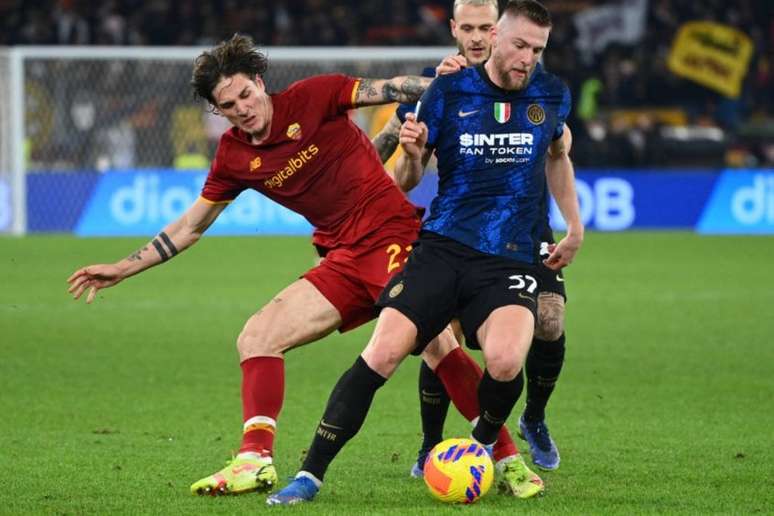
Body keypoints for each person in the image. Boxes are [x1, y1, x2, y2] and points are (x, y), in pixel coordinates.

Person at [66, 33, 437, 496]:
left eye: (245, 93)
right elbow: (190, 227)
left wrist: (444, 84)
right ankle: (254, 458)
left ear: (260, 83)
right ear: (218, 111)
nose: (242, 106)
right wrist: (122, 267)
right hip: (342, 257)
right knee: (257, 336)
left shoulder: (313, 95)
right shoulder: (235, 157)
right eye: (228, 104)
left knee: (440, 344)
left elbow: (388, 87)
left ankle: (504, 456)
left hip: (393, 235)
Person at [268, 0, 583, 505]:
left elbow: (559, 157)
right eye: (520, 44)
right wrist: (413, 155)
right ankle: (309, 474)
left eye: (538, 49)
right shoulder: (445, 89)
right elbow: (408, 178)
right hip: (442, 248)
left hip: (510, 256)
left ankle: (479, 451)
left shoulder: (551, 94)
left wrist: (575, 227)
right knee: (384, 352)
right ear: (494, 38)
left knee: (505, 360)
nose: (528, 57)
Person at [376, 0, 569, 475]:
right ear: (454, 30)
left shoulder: (530, 79)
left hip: (526, 227)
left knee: (549, 321)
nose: (479, 37)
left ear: (501, 30)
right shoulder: (436, 83)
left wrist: (574, 221)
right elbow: (386, 159)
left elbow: (559, 146)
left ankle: (535, 419)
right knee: (446, 334)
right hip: (461, 232)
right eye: (470, 28)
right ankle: (431, 444)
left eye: (488, 27)